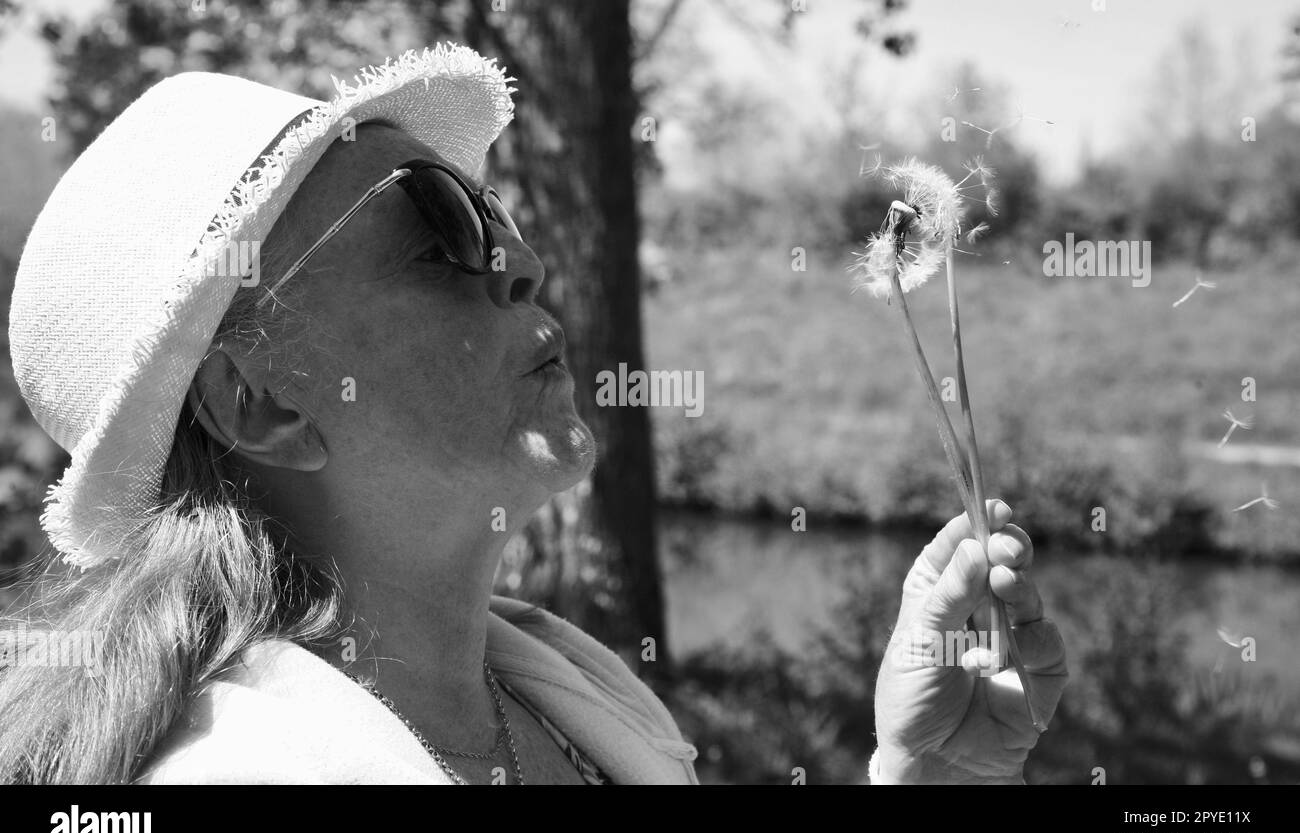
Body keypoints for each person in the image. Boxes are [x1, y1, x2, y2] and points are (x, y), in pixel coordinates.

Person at [0, 44, 1067, 785]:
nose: (521, 261)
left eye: (486, 207)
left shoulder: (576, 704)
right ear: (260, 400)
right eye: (436, 230)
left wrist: (931, 772)